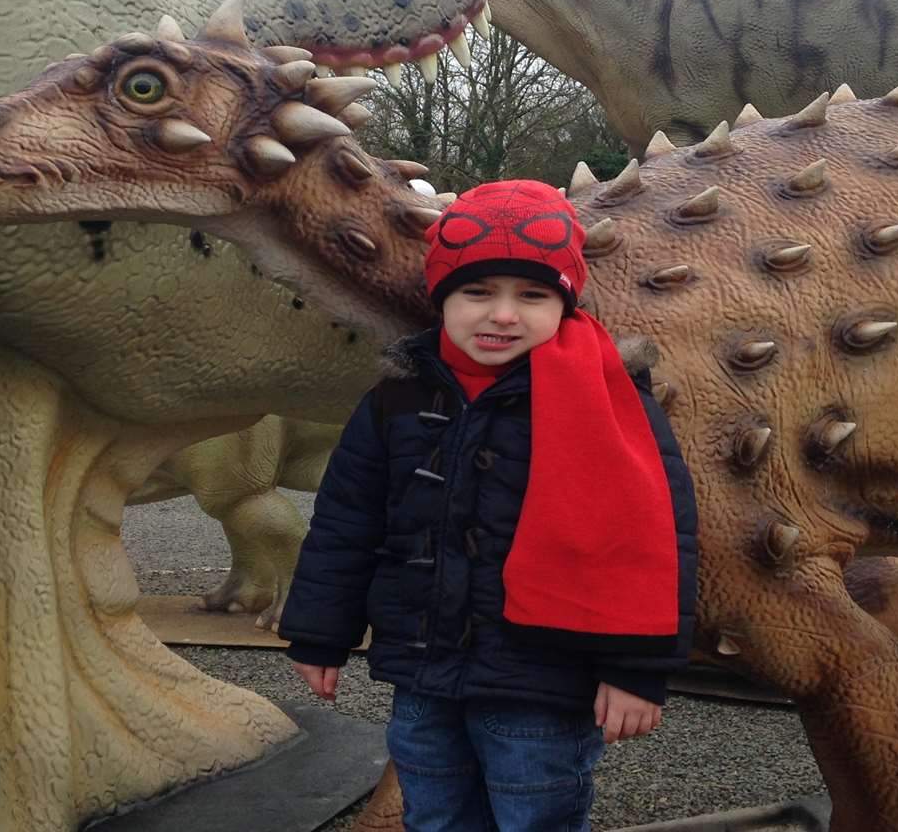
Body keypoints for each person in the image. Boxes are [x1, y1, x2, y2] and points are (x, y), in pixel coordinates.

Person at [280, 179, 699, 832]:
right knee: (435, 817)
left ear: (563, 301)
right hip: (423, 676)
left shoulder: (614, 406)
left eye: (532, 295)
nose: (503, 315)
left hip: (543, 687)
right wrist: (319, 632)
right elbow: (345, 524)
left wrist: (636, 670)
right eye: (477, 291)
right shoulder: (396, 400)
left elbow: (654, 541)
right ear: (442, 298)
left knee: (535, 818)